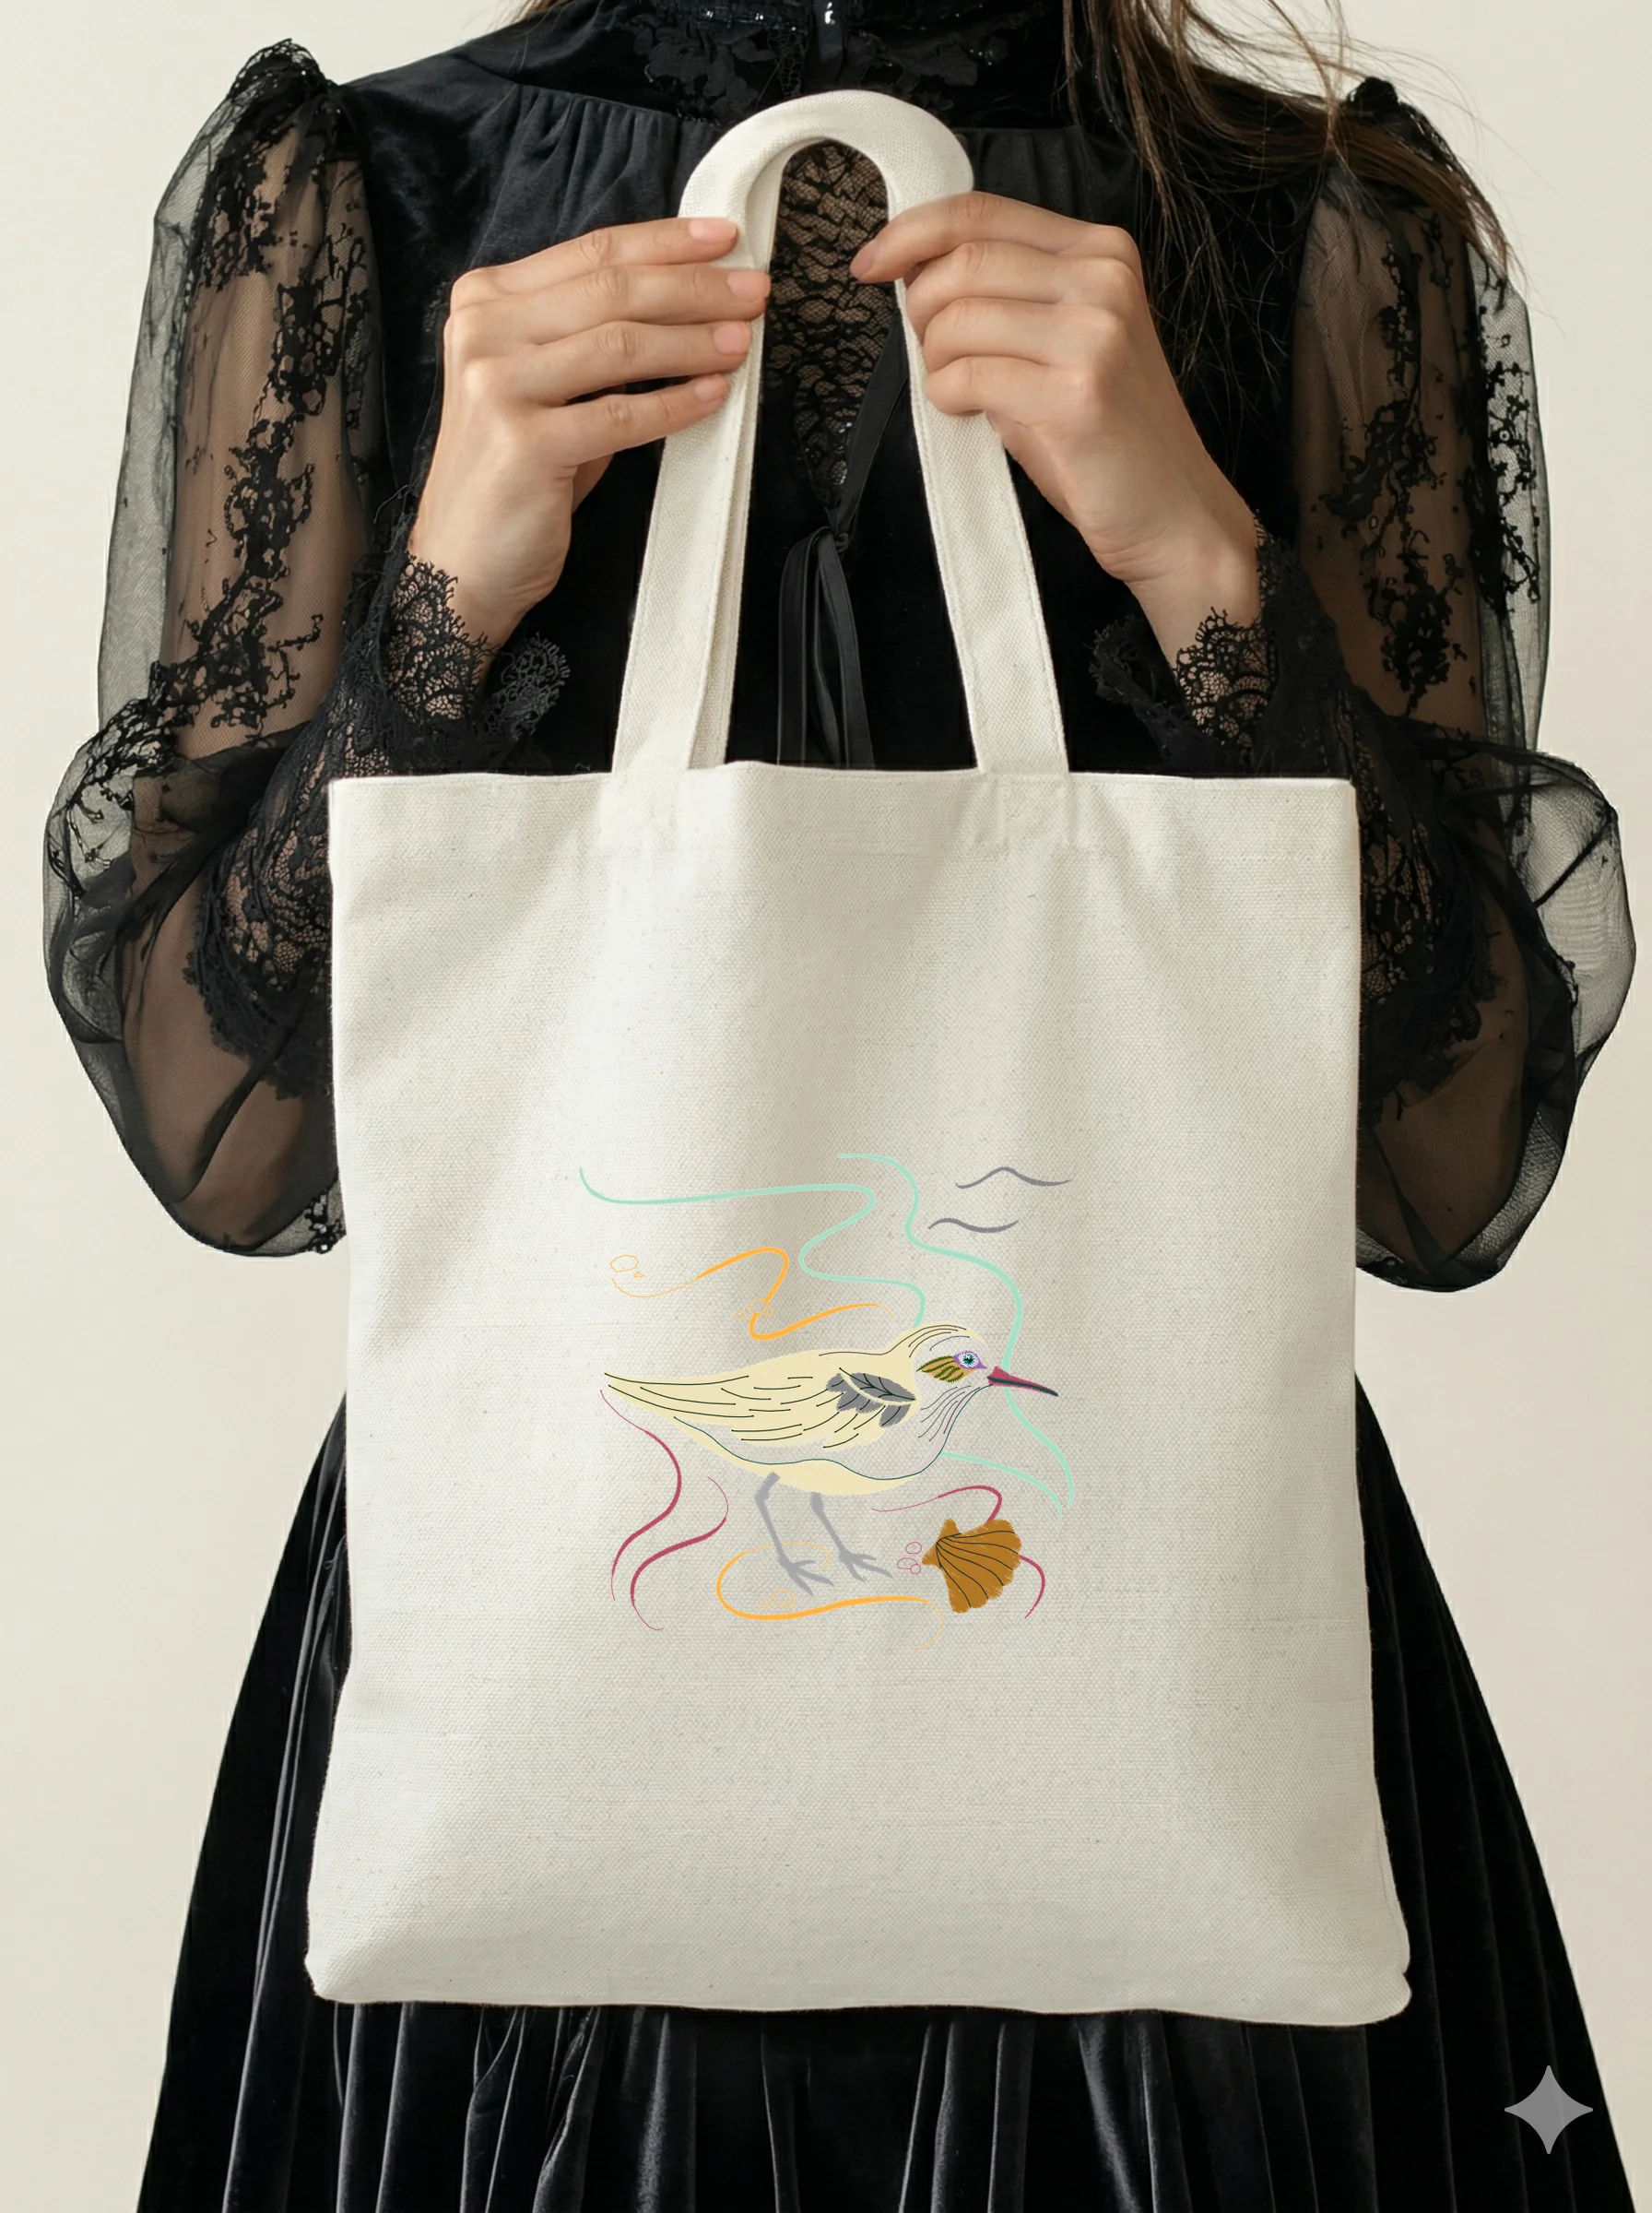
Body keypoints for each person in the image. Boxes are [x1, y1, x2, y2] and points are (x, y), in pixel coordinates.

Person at [43, 1, 1638, 2205]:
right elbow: (228, 1137)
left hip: (1152, 1635)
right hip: (543, 1644)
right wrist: (442, 601)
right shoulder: (367, 202)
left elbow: (1434, 1170)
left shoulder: (1313, 226)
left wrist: (1203, 569)